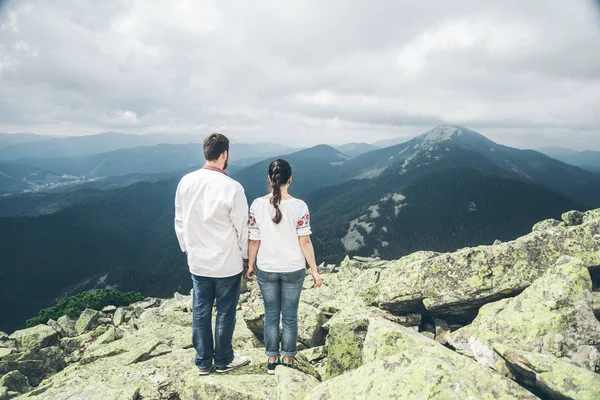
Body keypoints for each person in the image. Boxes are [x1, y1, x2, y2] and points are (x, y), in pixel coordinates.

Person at [174, 133, 251, 375]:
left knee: (201, 309)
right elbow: (242, 228)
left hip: (198, 260)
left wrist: (187, 248)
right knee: (226, 311)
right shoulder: (233, 187)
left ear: (205, 152)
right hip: (227, 261)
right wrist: (247, 257)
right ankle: (224, 359)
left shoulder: (186, 182)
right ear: (225, 154)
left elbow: (179, 220)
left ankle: (203, 362)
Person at [245, 158, 323, 374]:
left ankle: (271, 360)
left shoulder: (257, 205)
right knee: (289, 316)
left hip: (266, 267)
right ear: (290, 179)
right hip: (293, 268)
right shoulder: (299, 206)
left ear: (270, 179)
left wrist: (250, 265)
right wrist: (314, 270)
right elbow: (304, 241)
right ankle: (288, 360)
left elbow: (254, 239)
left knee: (271, 315)